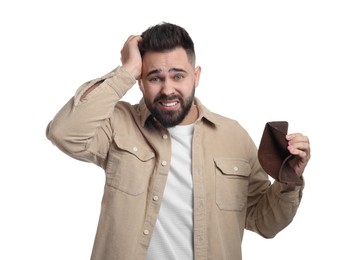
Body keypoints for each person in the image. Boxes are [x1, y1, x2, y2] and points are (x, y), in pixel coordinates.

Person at [46, 22, 311, 260]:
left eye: (178, 76)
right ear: (140, 81)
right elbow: (64, 133)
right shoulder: (119, 123)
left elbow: (264, 223)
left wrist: (288, 182)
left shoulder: (234, 137)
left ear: (196, 76)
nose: (167, 89)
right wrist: (126, 70)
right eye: (155, 77)